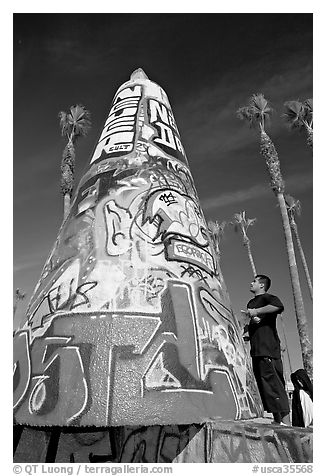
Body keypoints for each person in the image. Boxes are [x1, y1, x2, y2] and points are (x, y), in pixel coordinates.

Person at [244, 274, 290, 425]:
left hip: (268, 349)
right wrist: (247, 331)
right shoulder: (251, 302)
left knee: (275, 387)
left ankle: (287, 425)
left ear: (262, 285)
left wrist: (256, 312)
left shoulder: (268, 298)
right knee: (266, 389)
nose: (251, 283)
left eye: (254, 281)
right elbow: (253, 322)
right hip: (256, 351)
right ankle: (278, 423)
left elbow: (278, 306)